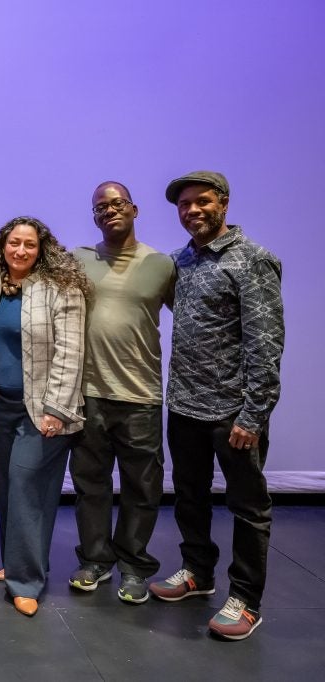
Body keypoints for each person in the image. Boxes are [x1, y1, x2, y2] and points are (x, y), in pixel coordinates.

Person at [150, 171, 284, 641]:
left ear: (223, 203)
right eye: (184, 205)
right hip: (184, 405)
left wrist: (254, 414)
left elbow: (265, 345)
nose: (192, 211)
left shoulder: (253, 260)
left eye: (201, 202)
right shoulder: (181, 260)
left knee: (248, 507)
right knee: (189, 495)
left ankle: (245, 599)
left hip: (233, 413)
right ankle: (197, 572)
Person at [69, 181, 175, 603]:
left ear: (133, 209)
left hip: (141, 394)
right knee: (90, 484)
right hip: (89, 393)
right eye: (99, 207)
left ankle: (133, 565)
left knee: (142, 487)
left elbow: (190, 318)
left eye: (116, 204)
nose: (108, 211)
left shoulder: (162, 265)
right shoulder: (79, 260)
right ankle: (95, 560)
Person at [0, 217, 87, 616]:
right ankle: (17, 561)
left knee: (29, 487)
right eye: (14, 243)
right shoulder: (0, 288)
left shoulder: (63, 288)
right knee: (10, 488)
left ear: (41, 248)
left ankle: (26, 581)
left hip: (43, 409)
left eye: (30, 244)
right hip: (4, 406)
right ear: (3, 246)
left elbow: (71, 353)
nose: (21, 251)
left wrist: (57, 410)